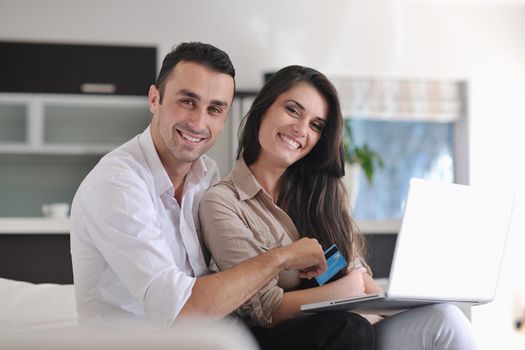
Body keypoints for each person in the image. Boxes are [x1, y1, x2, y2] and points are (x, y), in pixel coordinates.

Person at [199, 65, 480, 350]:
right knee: (349, 327)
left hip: (349, 329)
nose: (300, 129)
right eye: (293, 110)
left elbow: (360, 278)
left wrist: (376, 297)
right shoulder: (223, 202)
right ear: (264, 108)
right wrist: (344, 291)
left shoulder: (321, 197)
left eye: (315, 125)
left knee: (446, 318)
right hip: (280, 339)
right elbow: (265, 308)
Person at [69, 42, 329, 330]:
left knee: (340, 327)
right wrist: (281, 258)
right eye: (187, 101)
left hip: (204, 339)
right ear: (155, 99)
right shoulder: (118, 183)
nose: (198, 122)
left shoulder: (206, 176)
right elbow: (181, 309)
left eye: (215, 109)